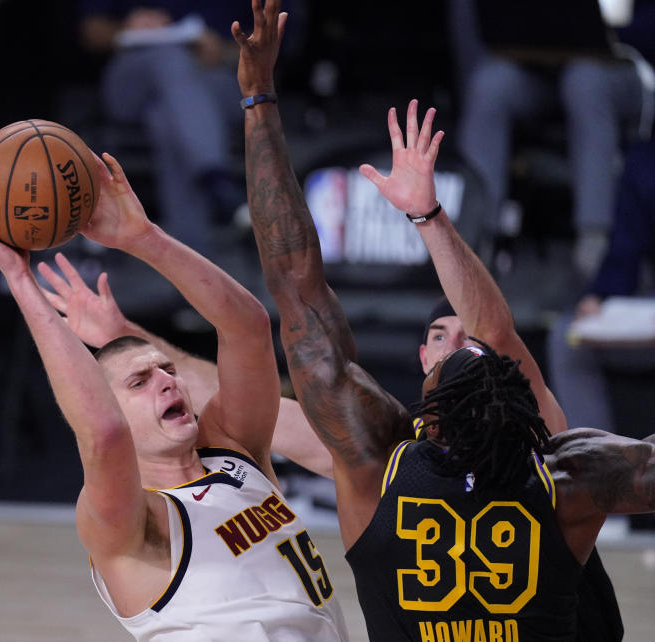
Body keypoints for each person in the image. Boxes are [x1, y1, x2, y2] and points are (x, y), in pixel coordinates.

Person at [231, 1, 654, 639]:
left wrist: (258, 99)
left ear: (422, 403)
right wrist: (428, 217)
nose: (463, 342)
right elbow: (498, 335)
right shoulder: (567, 475)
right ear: (522, 395)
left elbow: (294, 287)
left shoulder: (376, 464)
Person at [0, 152, 348, 639]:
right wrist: (22, 280)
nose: (167, 380)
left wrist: (143, 239)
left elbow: (247, 327)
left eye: (166, 370)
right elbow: (102, 432)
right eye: (139, 383)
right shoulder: (135, 522)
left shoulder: (237, 453)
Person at [451, 0, 655, 276]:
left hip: (627, 68)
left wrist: (614, 35)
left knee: (584, 83)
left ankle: (595, 244)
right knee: (490, 87)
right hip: (545, 68)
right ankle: (474, 238)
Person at [77, 1, 247, 256]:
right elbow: (91, 32)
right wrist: (126, 28)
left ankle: (191, 259)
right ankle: (214, 175)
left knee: (166, 118)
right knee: (170, 59)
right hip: (133, 77)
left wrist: (221, 50)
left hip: (211, 78)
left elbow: (274, 39)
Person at [548, 140, 655, 433]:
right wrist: (600, 295)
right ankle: (595, 468)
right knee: (569, 338)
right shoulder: (645, 159)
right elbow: (625, 248)